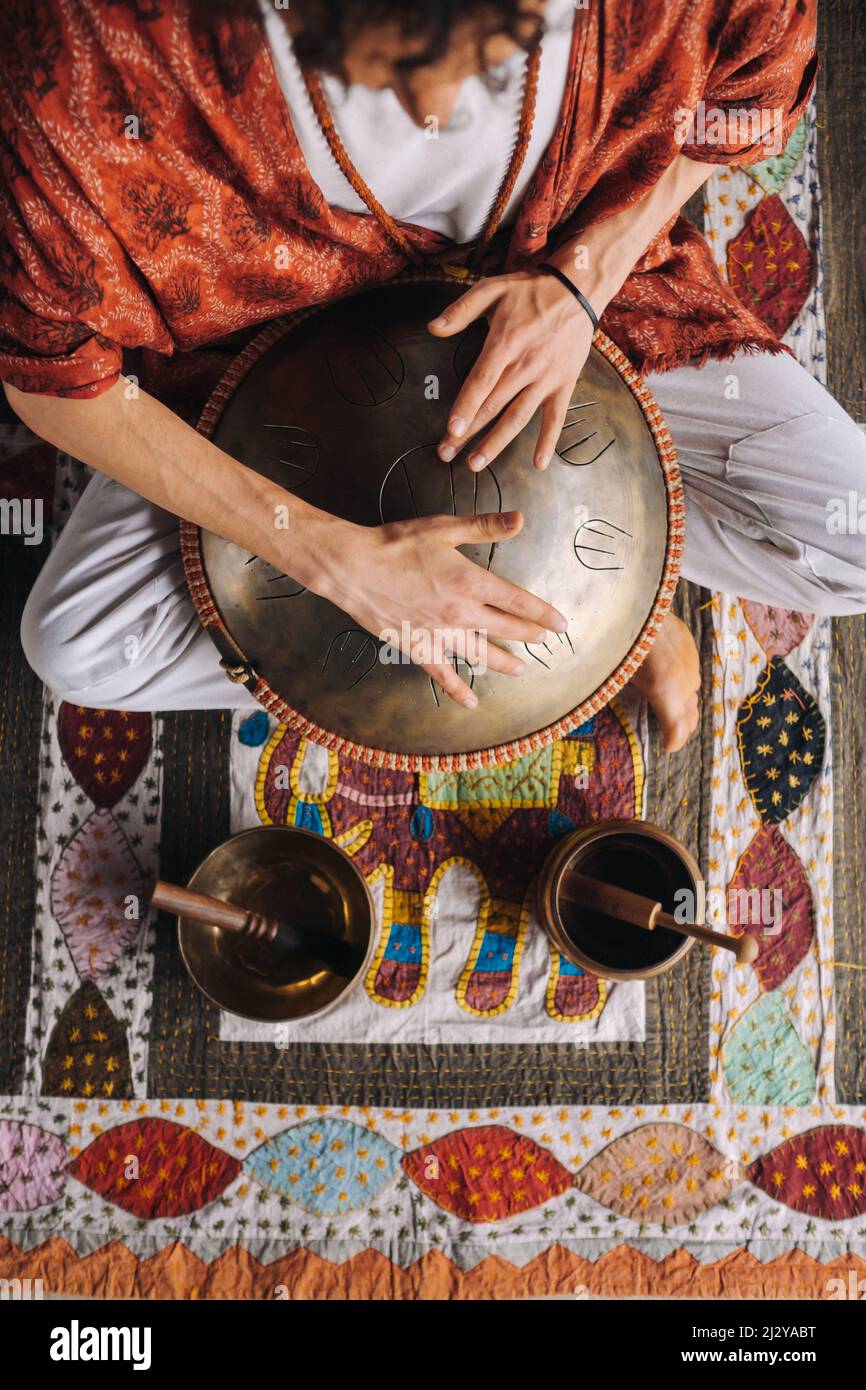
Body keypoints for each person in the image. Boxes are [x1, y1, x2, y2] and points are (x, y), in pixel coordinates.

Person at [1, 0, 861, 754]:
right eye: (384, 67)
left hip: (568, 278)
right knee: (77, 646)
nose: (434, 111)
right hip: (270, 347)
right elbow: (50, 372)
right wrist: (327, 558)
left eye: (488, 59)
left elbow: (745, 102)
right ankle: (570, 627)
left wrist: (583, 280)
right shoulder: (88, 59)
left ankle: (613, 603)